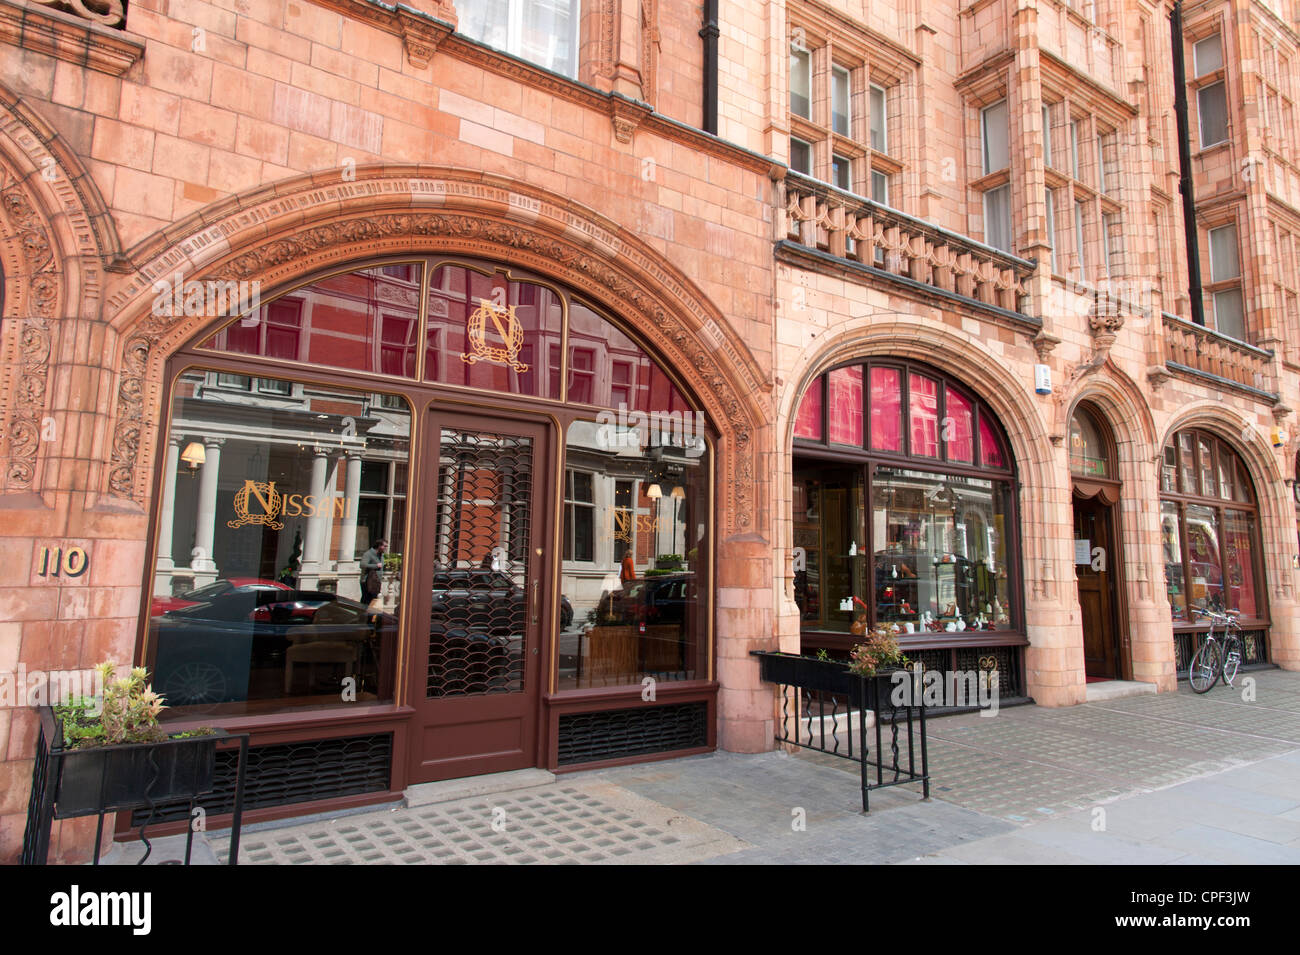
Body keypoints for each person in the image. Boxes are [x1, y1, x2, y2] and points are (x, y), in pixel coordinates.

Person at [360, 538, 387, 605]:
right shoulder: (368, 554)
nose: (386, 548)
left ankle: (370, 615)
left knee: (373, 600)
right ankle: (362, 614)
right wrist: (376, 565)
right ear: (379, 546)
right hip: (367, 581)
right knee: (366, 600)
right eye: (385, 546)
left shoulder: (381, 555)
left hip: (376, 582)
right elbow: (362, 565)